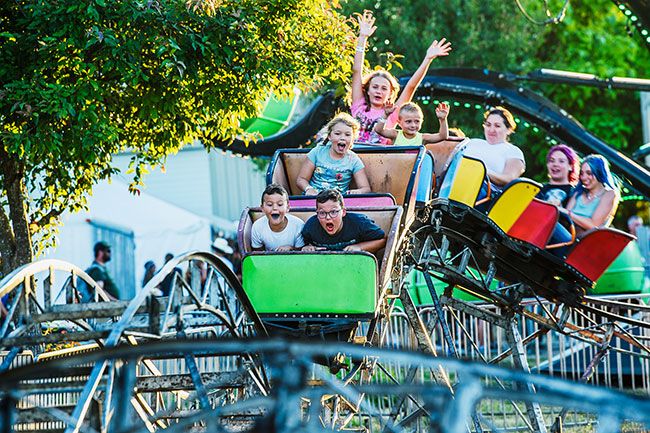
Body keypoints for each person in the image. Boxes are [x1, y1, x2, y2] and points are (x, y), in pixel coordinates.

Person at [351, 10, 451, 144]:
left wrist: (428, 59)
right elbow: (357, 71)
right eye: (375, 87)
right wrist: (362, 38)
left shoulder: (392, 112)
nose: (379, 91)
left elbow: (411, 86)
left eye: (384, 88)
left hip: (378, 158)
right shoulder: (359, 104)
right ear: (367, 90)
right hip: (354, 155)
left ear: (390, 93)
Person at [549, 155, 620, 256]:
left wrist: (568, 213)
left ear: (599, 173)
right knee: (546, 218)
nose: (584, 177)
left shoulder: (609, 194)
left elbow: (593, 225)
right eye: (582, 173)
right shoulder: (578, 192)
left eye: (589, 173)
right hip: (568, 237)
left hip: (581, 244)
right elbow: (565, 218)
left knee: (548, 224)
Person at [296, 113, 371, 195]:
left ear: (352, 139)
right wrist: (308, 189)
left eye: (347, 135)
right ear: (329, 136)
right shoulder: (317, 152)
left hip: (337, 203)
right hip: (315, 198)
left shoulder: (353, 160)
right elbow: (301, 179)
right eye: (337, 134)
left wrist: (357, 192)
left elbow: (366, 188)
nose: (342, 137)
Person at [301, 189, 386, 252]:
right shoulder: (310, 227)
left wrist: (359, 247)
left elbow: (383, 240)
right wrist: (307, 247)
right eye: (322, 213)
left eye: (333, 212)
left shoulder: (359, 222)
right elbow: (303, 245)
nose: (328, 217)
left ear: (343, 212)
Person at [464, 106, 525, 188]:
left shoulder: (513, 151)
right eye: (488, 125)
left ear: (508, 130)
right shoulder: (472, 142)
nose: (491, 130)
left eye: (497, 126)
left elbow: (510, 178)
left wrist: (483, 171)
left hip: (484, 193)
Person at [251, 184, 305, 251]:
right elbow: (257, 255)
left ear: (287, 207)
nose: (275, 208)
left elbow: (301, 254)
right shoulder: (257, 227)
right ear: (262, 208)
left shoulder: (298, 225)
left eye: (280, 204)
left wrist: (291, 249)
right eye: (270, 204)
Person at [373, 102, 449, 145]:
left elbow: (443, 136)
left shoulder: (422, 138)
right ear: (399, 123)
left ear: (421, 121)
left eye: (417, 121)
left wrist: (442, 119)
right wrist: (386, 115)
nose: (413, 125)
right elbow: (379, 130)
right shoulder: (395, 134)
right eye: (408, 121)